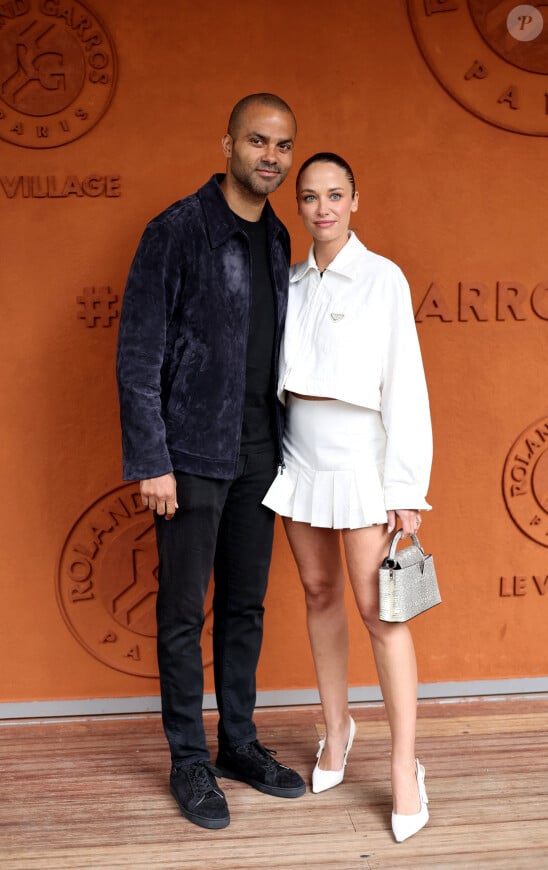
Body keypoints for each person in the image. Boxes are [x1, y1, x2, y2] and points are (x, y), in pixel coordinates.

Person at [116, 94, 306, 830]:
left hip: (261, 455)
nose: (270, 156)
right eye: (258, 140)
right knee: (179, 612)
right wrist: (151, 461)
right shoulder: (178, 230)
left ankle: (239, 745)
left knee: (244, 607)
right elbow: (138, 354)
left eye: (283, 145)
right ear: (227, 141)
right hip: (189, 455)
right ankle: (189, 761)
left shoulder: (279, 236)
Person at [263, 152, 433, 843]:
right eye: (309, 197)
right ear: (297, 206)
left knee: (380, 611)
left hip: (363, 460)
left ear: (356, 200)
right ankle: (337, 727)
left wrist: (406, 487)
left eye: (335, 195)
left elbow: (407, 385)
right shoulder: (291, 280)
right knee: (318, 593)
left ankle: (402, 765)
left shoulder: (383, 277)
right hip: (299, 455)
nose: (322, 208)